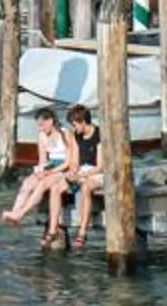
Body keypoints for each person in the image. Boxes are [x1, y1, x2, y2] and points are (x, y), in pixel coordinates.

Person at [7, 108, 74, 241]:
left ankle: (21, 213)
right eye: (38, 125)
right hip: (50, 165)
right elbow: (43, 160)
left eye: (42, 124)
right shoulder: (42, 136)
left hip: (62, 168)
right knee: (27, 183)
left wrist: (51, 171)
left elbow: (68, 161)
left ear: (50, 121)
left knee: (42, 185)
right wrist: (40, 171)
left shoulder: (65, 134)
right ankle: (15, 212)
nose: (40, 128)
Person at [66, 104, 105, 247]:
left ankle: (82, 231)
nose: (73, 128)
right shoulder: (76, 136)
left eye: (75, 124)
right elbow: (75, 161)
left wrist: (84, 174)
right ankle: (54, 228)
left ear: (83, 122)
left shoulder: (99, 135)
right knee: (59, 183)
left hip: (99, 173)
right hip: (83, 171)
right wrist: (73, 172)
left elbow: (100, 166)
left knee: (86, 186)